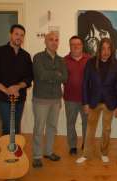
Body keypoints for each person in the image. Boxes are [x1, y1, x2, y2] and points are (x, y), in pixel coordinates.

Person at [76, 38, 117, 163]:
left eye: (108, 48)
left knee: (106, 129)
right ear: (99, 49)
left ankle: (104, 152)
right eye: (103, 48)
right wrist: (85, 102)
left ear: (111, 50)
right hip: (93, 101)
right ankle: (86, 154)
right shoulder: (91, 63)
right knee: (90, 129)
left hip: (110, 102)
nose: (106, 51)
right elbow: (85, 84)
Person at [0, 24, 33, 135]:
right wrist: (7, 90)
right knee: (8, 127)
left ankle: (15, 151)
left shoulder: (26, 56)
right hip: (4, 97)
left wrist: (17, 86)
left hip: (20, 97)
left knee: (16, 127)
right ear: (10, 35)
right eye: (16, 34)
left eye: (22, 35)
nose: (19, 37)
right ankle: (6, 152)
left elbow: (29, 77)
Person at [31, 32, 68, 168]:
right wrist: (56, 74)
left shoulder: (61, 60)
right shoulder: (38, 58)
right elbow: (41, 75)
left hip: (56, 99)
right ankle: (37, 156)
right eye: (51, 40)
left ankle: (48, 151)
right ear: (45, 42)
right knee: (39, 128)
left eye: (56, 40)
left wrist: (51, 75)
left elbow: (65, 77)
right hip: (41, 99)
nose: (54, 42)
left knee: (52, 127)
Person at [63, 36, 90, 155]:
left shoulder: (90, 59)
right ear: (70, 46)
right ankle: (72, 146)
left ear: (82, 45)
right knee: (70, 123)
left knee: (87, 123)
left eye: (78, 44)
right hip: (70, 99)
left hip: (86, 99)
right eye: (73, 44)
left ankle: (86, 143)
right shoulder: (63, 60)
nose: (76, 46)